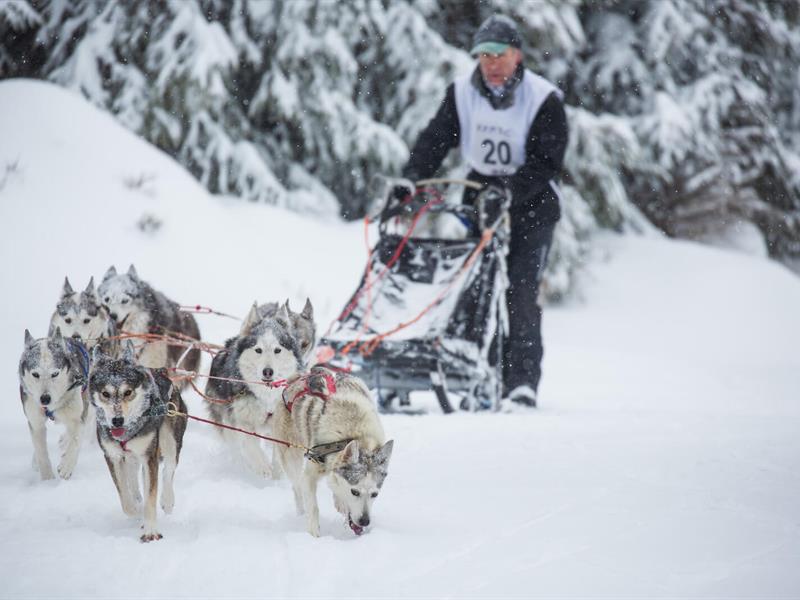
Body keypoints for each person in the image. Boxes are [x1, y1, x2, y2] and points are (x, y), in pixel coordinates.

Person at [397, 14, 568, 408]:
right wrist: (412, 179)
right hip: (480, 194)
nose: (491, 63)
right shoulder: (462, 92)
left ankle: (520, 384)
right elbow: (436, 140)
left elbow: (547, 161)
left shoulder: (543, 98)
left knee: (519, 290)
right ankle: (475, 371)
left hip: (533, 202)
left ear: (516, 54)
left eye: (499, 54)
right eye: (483, 55)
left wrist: (509, 190)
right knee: (477, 287)